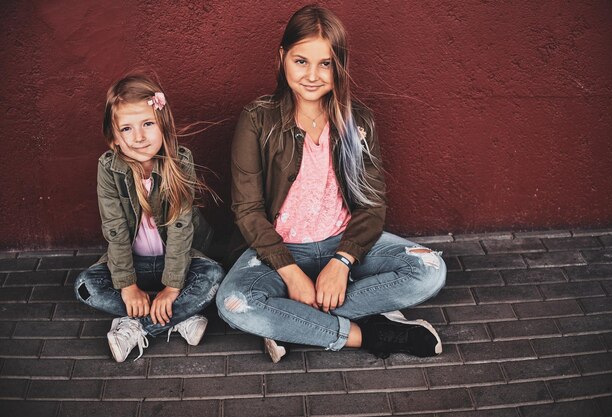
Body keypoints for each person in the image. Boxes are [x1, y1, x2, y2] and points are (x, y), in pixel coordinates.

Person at [216, 5, 446, 362]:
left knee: (430, 270)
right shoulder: (258, 119)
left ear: (339, 65)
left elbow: (373, 206)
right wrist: (290, 272)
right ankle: (367, 332)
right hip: (278, 251)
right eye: (301, 61)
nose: (312, 75)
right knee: (234, 303)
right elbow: (246, 210)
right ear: (282, 58)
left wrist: (342, 262)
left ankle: (292, 324)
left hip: (342, 242)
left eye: (325, 63)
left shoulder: (358, 121)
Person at [74, 73, 224, 362]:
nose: (139, 137)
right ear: (114, 139)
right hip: (134, 265)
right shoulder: (109, 169)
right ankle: (180, 317)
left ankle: (137, 325)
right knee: (85, 285)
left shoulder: (180, 161)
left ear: (163, 126)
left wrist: (172, 288)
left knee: (215, 277)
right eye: (127, 129)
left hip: (180, 262)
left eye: (147, 124)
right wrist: (128, 286)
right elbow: (115, 230)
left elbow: (181, 229)